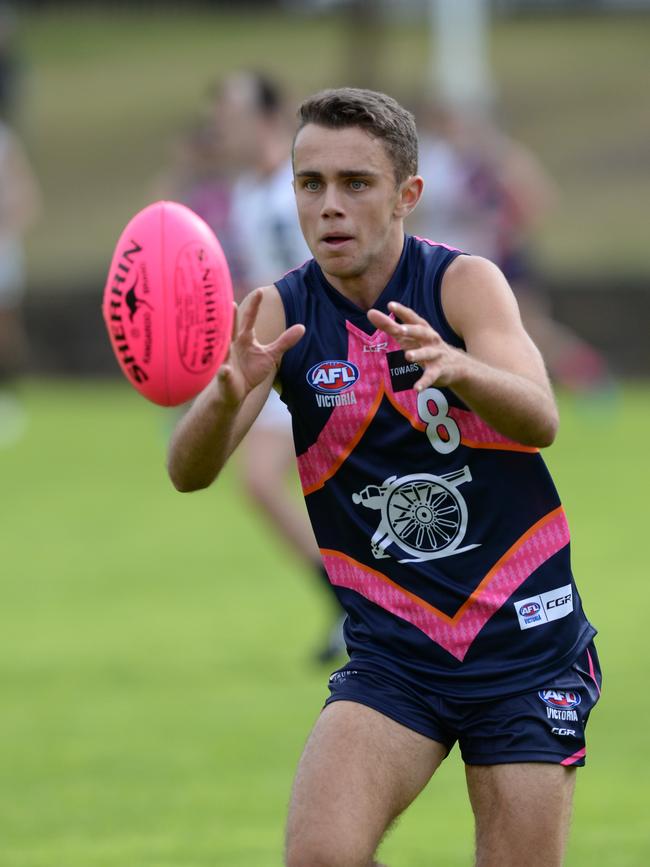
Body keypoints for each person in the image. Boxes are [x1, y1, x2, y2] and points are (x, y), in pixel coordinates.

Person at [167, 87, 601, 867]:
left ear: (407, 195)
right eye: (311, 183)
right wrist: (222, 398)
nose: (329, 205)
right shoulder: (279, 313)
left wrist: (458, 366)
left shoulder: (464, 285)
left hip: (524, 642)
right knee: (321, 856)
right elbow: (189, 474)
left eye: (355, 183)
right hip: (395, 652)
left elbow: (541, 417)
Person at [211, 70, 346, 662]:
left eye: (231, 114)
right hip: (275, 356)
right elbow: (256, 281)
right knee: (260, 484)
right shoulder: (245, 190)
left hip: (321, 354)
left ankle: (365, 604)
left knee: (343, 485)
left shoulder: (295, 191)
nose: (221, 126)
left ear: (266, 119)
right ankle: (348, 602)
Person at [410, 101, 612, 393]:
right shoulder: (434, 161)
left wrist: (507, 230)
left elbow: (535, 198)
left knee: (531, 327)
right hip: (451, 264)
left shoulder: (490, 159)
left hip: (498, 260)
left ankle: (589, 378)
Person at [0, 117, 41, 446]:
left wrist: (9, 228)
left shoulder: (5, 140)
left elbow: (26, 194)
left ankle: (8, 392)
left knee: (5, 325)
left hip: (2, 246)